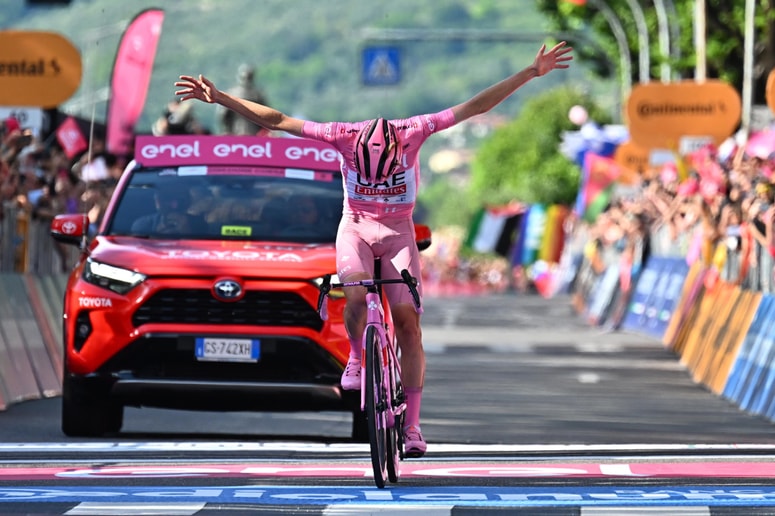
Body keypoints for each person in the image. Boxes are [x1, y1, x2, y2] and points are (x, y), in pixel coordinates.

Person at [174, 41, 573, 457]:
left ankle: (413, 426)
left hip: (399, 232)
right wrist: (220, 98)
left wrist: (530, 72)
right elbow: (278, 120)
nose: (378, 183)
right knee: (357, 292)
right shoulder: (342, 136)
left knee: (407, 324)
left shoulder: (414, 130)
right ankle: (357, 359)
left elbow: (475, 106)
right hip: (357, 229)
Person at [131, 188, 197, 235]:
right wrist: (157, 236)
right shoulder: (144, 225)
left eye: (180, 200)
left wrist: (187, 232)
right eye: (167, 199)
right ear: (157, 201)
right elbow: (138, 248)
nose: (174, 205)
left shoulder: (201, 224)